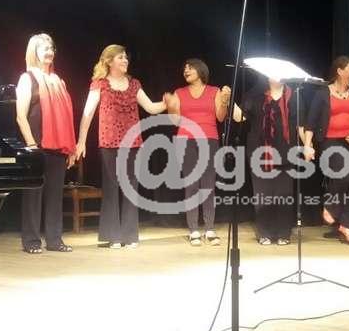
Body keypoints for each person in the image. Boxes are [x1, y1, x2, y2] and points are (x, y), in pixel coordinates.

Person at [74, 44, 169, 249]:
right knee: (111, 187)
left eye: (126, 57)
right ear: (109, 61)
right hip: (109, 142)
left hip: (132, 142)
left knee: (130, 187)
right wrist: (81, 141)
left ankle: (130, 235)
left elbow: (150, 107)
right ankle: (113, 236)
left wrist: (166, 103)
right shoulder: (100, 84)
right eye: (120, 57)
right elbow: (88, 113)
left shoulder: (134, 84)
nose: (125, 60)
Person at [15, 33, 77, 254]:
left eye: (51, 48)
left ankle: (54, 240)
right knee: (33, 195)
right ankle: (31, 241)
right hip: (37, 145)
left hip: (58, 147)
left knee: (55, 195)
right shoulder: (27, 78)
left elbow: (67, 118)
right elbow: (20, 116)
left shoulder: (59, 81)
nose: (49, 52)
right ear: (34, 52)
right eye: (44, 48)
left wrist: (71, 147)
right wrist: (31, 144)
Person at [303, 56, 349, 245]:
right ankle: (332, 207)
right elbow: (310, 123)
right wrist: (307, 146)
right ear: (340, 71)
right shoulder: (322, 93)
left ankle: (346, 226)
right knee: (344, 176)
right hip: (331, 142)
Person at [165, 58, 228, 246]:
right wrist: (171, 107)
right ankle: (193, 230)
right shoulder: (179, 92)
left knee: (208, 185)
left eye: (190, 68)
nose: (186, 70)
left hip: (209, 139)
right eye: (184, 68)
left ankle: (209, 229)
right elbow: (175, 121)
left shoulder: (214, 91)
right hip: (186, 140)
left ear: (201, 71)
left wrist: (224, 101)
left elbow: (220, 117)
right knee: (191, 185)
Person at [231, 78, 302, 245]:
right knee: (263, 195)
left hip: (286, 150)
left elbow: (301, 125)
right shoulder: (256, 93)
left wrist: (307, 145)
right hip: (260, 151)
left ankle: (283, 233)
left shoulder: (293, 94)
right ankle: (265, 233)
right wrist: (229, 102)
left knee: (284, 195)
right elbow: (239, 117)